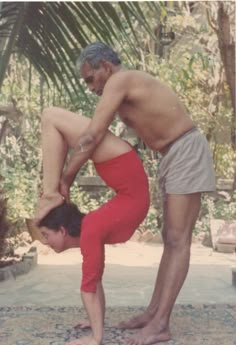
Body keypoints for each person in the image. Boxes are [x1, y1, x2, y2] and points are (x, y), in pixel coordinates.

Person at [36, 42, 215, 345]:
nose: (90, 87)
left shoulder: (120, 80)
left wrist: (66, 178)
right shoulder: (118, 89)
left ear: (105, 66)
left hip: (185, 149)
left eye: (90, 78)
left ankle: (160, 324)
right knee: (170, 239)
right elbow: (96, 136)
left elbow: (92, 136)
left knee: (177, 239)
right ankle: (153, 314)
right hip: (172, 155)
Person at [35, 107, 150, 345]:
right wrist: (93, 318)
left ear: (63, 230)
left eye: (46, 234)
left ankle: (50, 195)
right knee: (53, 122)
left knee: (50, 117)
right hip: (123, 168)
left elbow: (87, 287)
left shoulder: (91, 229)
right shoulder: (93, 228)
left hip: (121, 163)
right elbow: (95, 281)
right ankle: (50, 193)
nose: (45, 241)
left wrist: (95, 338)